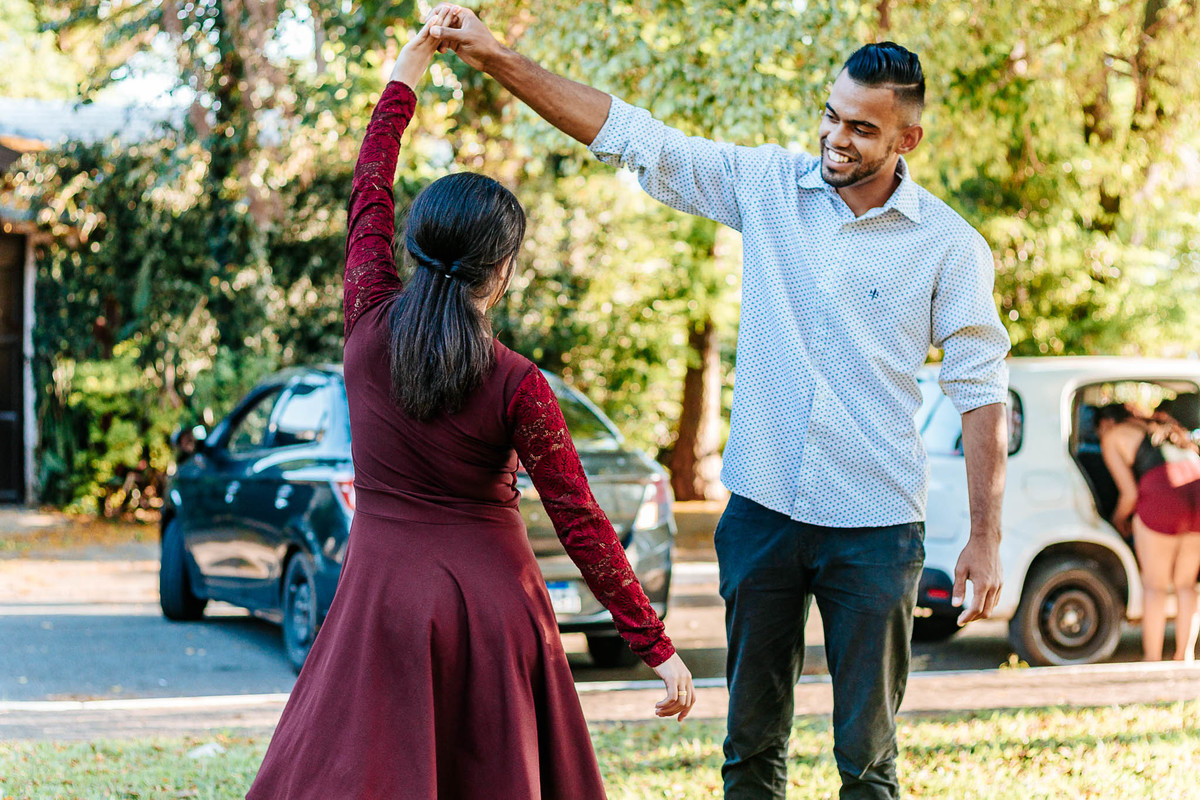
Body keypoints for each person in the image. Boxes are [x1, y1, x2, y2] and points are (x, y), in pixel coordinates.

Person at [428, 9, 1010, 799]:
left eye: (863, 129)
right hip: (763, 513)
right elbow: (633, 136)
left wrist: (984, 536)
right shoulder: (768, 186)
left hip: (875, 527)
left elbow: (980, 392)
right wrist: (498, 59)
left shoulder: (948, 245)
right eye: (831, 116)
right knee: (750, 750)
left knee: (868, 761)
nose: (837, 138)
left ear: (906, 140)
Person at [246, 12, 695, 799]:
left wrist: (410, 65)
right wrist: (654, 644)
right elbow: (580, 522)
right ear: (506, 267)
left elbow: (370, 183)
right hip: (494, 608)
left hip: (383, 599)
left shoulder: (367, 322)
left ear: (412, 247)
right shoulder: (518, 381)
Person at [1095, 402, 1200, 662]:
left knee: (1155, 587)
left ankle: (1152, 660)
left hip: (1162, 496)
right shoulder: (1166, 426)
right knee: (1186, 585)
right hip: (1196, 490)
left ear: (1105, 422)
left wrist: (1117, 520)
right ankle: (1183, 657)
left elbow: (1129, 494)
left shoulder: (1112, 435)